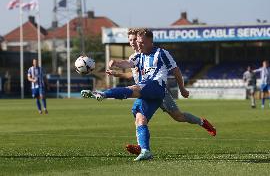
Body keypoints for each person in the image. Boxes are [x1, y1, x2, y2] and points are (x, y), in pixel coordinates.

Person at [81, 28, 216, 161]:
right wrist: (116, 63)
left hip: (157, 89)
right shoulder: (137, 56)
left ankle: (102, 94)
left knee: (178, 116)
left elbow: (176, 71)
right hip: (145, 90)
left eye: (139, 41)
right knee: (140, 117)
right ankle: (144, 149)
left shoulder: (161, 53)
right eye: (133, 41)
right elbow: (128, 66)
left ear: (150, 42)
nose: (136, 43)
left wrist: (182, 89)